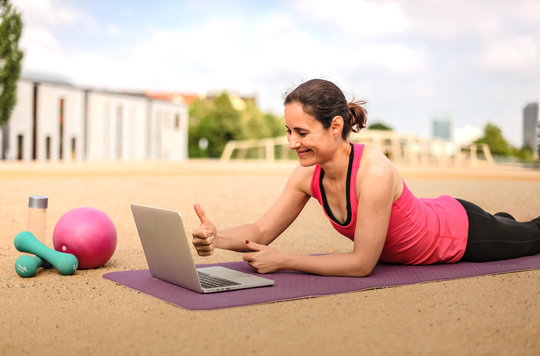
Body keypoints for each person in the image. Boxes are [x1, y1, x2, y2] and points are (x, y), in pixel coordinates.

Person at [192, 79, 540, 277]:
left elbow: (361, 264)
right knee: (509, 226)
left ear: (336, 126)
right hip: (437, 214)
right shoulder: (305, 176)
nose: (291, 143)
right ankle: (502, 222)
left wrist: (284, 259)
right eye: (287, 131)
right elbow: (260, 232)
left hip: (459, 233)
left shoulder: (374, 171)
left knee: (533, 237)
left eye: (301, 132)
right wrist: (217, 237)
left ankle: (501, 225)